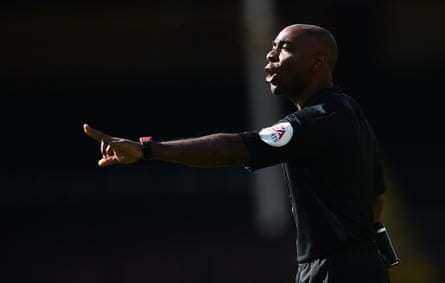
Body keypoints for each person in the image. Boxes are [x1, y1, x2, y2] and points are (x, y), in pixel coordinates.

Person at [83, 23, 391, 282]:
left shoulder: (317, 119)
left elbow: (230, 148)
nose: (270, 54)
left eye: (284, 47)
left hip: (337, 271)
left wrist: (147, 149)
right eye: (272, 46)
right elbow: (375, 198)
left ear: (316, 62)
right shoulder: (350, 112)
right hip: (354, 265)